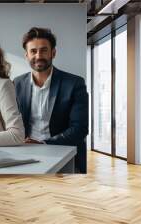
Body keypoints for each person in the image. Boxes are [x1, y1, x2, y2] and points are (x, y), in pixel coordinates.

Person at [13, 27, 88, 173]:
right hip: (25, 153)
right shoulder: (17, 83)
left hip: (63, 153)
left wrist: (43, 143)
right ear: (26, 55)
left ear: (53, 53)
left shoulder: (74, 83)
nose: (38, 55)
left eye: (44, 50)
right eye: (33, 51)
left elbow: (80, 128)